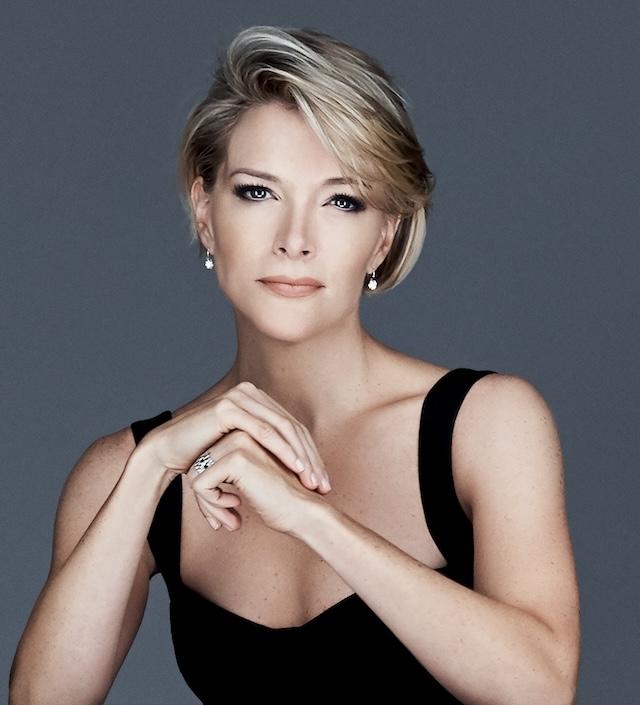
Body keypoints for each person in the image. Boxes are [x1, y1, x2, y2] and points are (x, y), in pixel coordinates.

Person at [9, 25, 580, 704]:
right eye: (258, 192)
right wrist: (150, 468)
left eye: (342, 201)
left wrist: (312, 518)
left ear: (384, 236)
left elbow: (542, 687)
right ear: (204, 212)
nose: (295, 240)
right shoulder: (131, 469)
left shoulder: (485, 425)